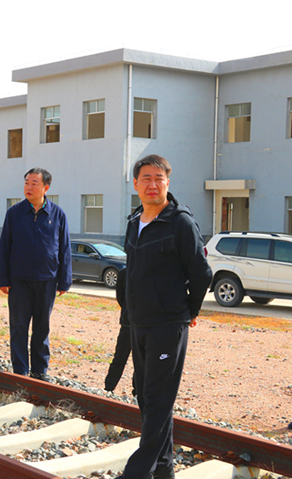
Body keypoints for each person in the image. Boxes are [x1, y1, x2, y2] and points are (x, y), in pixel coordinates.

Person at [118, 155, 212, 479]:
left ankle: (136, 473)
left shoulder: (180, 222)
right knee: (146, 397)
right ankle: (164, 471)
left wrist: (190, 311)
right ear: (135, 184)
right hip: (139, 323)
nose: (153, 184)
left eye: (159, 178)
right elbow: (132, 272)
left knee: (157, 401)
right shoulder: (134, 221)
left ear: (167, 183)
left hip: (168, 325)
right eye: (146, 178)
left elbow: (201, 273)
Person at [0, 167, 72, 381]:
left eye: (34, 183)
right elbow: (4, 246)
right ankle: (20, 370)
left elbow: (64, 248)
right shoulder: (14, 213)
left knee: (42, 327)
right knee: (19, 327)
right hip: (19, 281)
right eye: (26, 183)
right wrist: (2, 278)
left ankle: (39, 370)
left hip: (48, 280)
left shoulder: (58, 214)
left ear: (46, 187)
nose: (28, 187)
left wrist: (64, 280)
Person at [104, 267, 136, 396]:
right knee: (120, 357)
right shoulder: (124, 273)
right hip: (128, 322)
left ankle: (138, 392)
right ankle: (108, 388)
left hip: (144, 323)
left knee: (142, 361)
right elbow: (120, 297)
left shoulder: (150, 270)